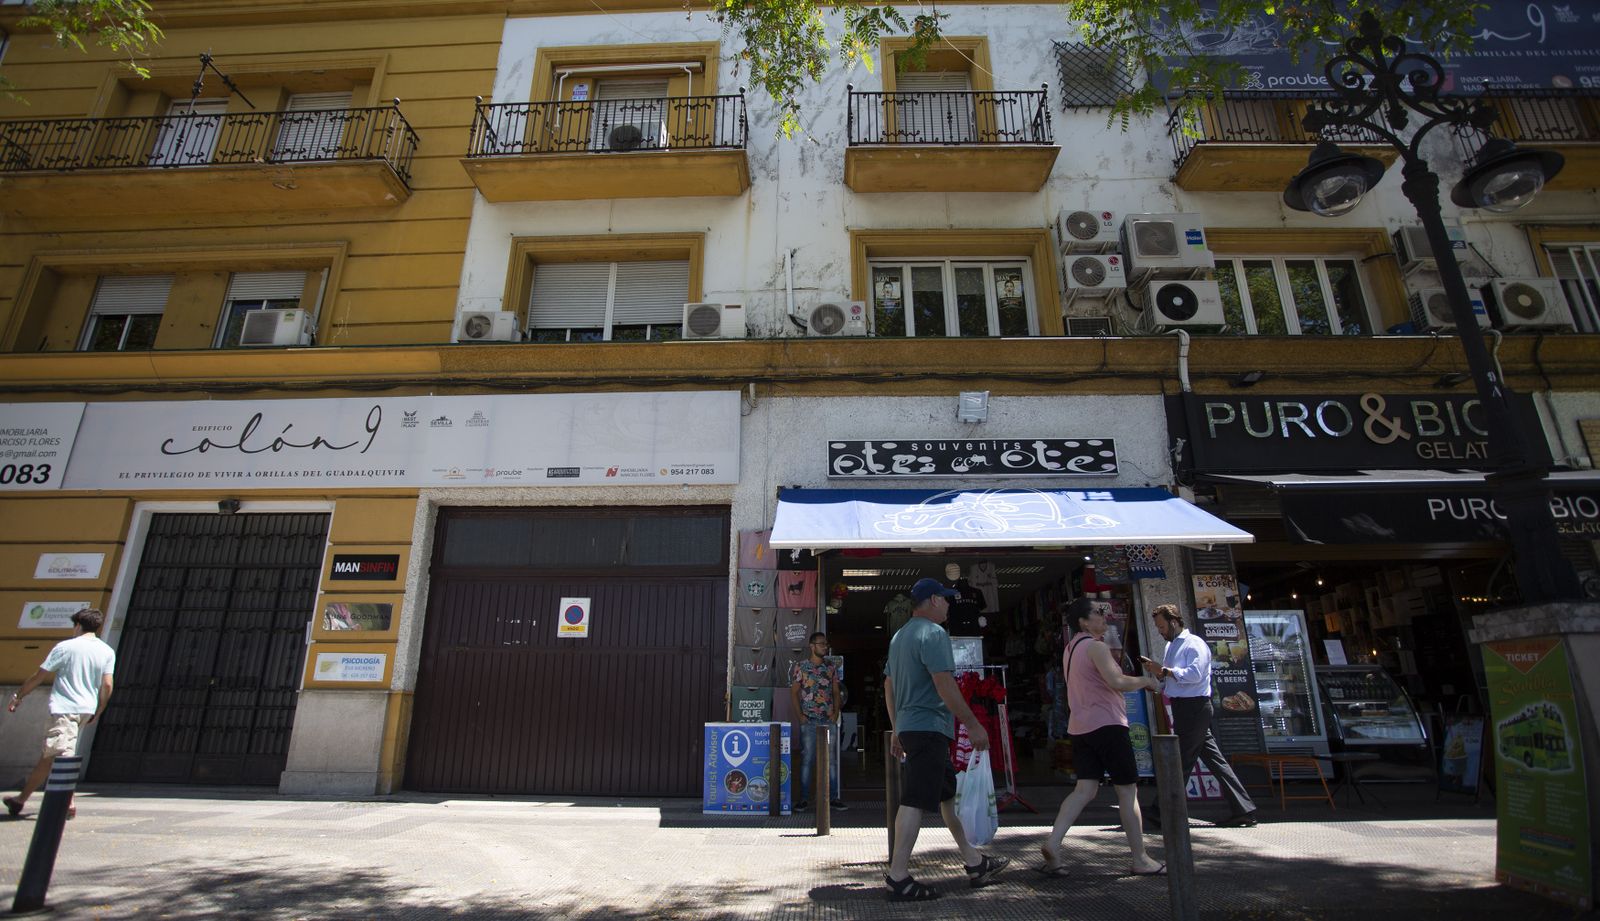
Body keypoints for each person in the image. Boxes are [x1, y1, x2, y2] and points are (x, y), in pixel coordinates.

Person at [882, 578, 1009, 901]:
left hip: (913, 726)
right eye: (948, 599)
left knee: (946, 798)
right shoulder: (934, 634)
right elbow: (945, 684)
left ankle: (974, 861)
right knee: (914, 800)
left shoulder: (900, 637)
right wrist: (973, 724)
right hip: (929, 727)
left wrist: (898, 727)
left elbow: (888, 685)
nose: (951, 605)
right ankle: (897, 876)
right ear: (934, 600)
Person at [1039, 598, 1166, 877]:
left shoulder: (1070, 649)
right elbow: (1117, 682)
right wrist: (1146, 681)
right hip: (1108, 724)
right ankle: (1140, 858)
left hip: (1080, 728)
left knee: (1084, 789)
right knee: (1126, 790)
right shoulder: (1096, 647)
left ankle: (1053, 842)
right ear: (1083, 622)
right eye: (1098, 613)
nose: (1104, 616)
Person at [1141, 604, 1258, 828]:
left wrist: (1164, 671)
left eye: (1162, 626)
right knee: (1214, 760)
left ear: (1174, 622)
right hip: (1184, 706)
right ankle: (1244, 807)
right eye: (1157, 627)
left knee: (1181, 759)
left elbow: (1194, 675)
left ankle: (1161, 809)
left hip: (1194, 707)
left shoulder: (1194, 644)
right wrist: (1158, 684)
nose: (1160, 631)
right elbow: (1174, 680)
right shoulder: (1172, 646)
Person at [5, 607, 116, 819]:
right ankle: (20, 800)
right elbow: (108, 685)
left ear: (77, 625)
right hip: (86, 709)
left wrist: (19, 696)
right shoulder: (106, 651)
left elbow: (39, 676)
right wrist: (100, 709)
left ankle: (68, 802)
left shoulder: (66, 647)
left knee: (62, 754)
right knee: (49, 756)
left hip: (65, 709)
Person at [790, 631, 847, 812]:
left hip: (828, 719)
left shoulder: (830, 668)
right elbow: (794, 692)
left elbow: (837, 692)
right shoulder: (801, 667)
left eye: (826, 643)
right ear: (812, 646)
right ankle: (804, 799)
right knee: (807, 759)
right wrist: (800, 716)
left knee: (831, 761)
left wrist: (836, 713)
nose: (825, 646)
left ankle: (833, 798)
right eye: (821, 644)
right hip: (809, 721)